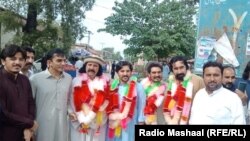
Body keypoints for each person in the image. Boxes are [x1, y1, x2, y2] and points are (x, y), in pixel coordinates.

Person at [30, 48, 72, 141]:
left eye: (64, 60)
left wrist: (70, 111)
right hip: (42, 126)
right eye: (59, 60)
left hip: (62, 126)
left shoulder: (68, 78)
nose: (63, 63)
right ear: (49, 62)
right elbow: (29, 104)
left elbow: (69, 100)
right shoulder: (35, 79)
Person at [0, 44, 38, 141]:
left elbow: (31, 103)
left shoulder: (24, 80)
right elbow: (3, 114)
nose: (17, 62)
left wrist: (28, 127)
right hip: (5, 134)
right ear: (3, 61)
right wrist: (29, 123)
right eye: (13, 59)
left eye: (21, 59)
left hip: (25, 135)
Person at [68, 55, 110, 141]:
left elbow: (106, 102)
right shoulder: (76, 81)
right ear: (85, 66)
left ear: (99, 69)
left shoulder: (104, 83)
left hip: (97, 124)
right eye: (89, 65)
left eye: (95, 66)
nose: (92, 67)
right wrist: (80, 120)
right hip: (80, 122)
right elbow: (71, 101)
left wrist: (95, 119)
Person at [106, 61, 146, 141]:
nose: (125, 74)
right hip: (114, 122)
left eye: (128, 71)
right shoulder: (112, 87)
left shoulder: (138, 87)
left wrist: (141, 122)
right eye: (122, 71)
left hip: (130, 123)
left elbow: (141, 106)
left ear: (131, 72)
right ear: (117, 72)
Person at [163, 56, 204, 124]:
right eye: (176, 68)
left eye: (181, 67)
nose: (179, 71)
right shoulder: (170, 83)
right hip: (173, 121)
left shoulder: (198, 80)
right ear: (172, 70)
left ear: (186, 67)